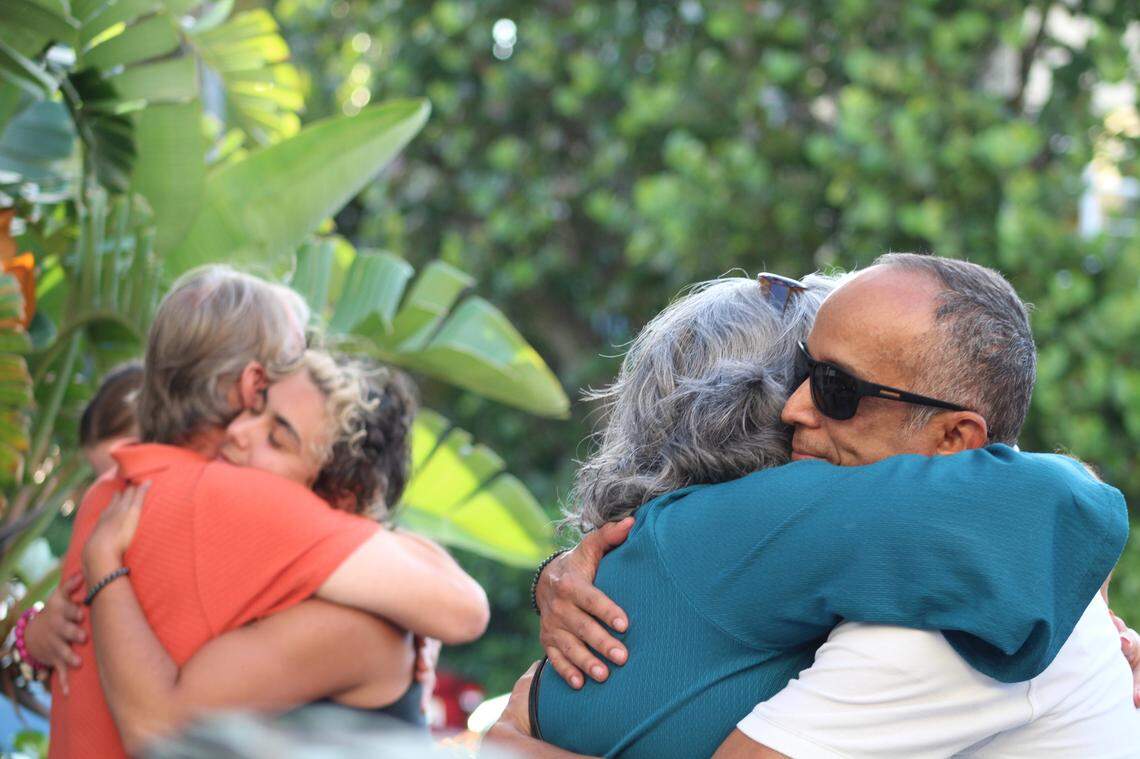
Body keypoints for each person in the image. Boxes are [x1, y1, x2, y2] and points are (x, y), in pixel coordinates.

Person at [489, 256, 1139, 757]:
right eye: (800, 371)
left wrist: (516, 744)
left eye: (834, 388)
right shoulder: (887, 581)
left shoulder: (958, 620)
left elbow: (1053, 501)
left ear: (955, 440)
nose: (796, 406)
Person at [36, 265, 489, 758]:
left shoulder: (110, 489)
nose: (244, 435)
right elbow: (461, 608)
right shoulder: (241, 501)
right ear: (254, 382)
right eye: (267, 403)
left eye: (277, 435)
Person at [78, 350, 437, 746]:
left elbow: (158, 732)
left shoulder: (349, 622)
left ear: (340, 495)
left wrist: (104, 564)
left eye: (276, 439)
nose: (238, 432)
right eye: (255, 408)